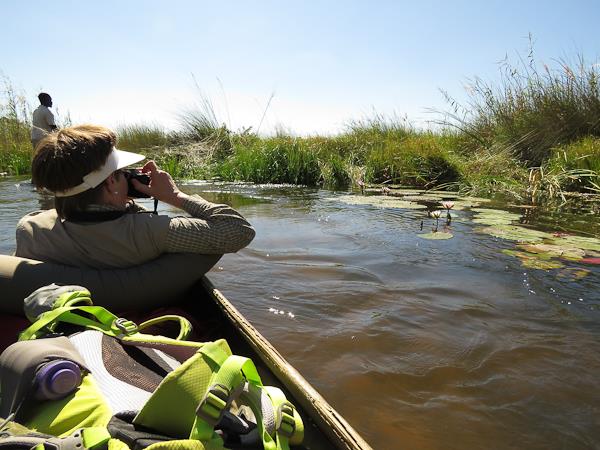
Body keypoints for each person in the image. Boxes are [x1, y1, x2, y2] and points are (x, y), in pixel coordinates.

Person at [15, 124, 255, 268]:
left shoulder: (31, 229)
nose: (129, 177)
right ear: (110, 182)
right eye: (121, 173)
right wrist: (175, 195)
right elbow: (239, 230)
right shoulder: (148, 232)